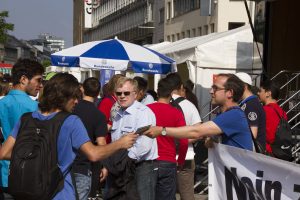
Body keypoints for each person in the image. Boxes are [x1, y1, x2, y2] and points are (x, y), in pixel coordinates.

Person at [0, 73, 137, 200]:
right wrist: (120, 143)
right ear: (63, 96)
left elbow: (4, 152)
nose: (77, 101)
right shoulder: (71, 121)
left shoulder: (26, 118)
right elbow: (94, 154)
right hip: (60, 192)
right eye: (74, 97)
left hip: (29, 191)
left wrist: (36, 158)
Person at [145, 73, 253, 151]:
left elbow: (196, 131)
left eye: (215, 88)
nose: (211, 91)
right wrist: (212, 140)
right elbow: (209, 141)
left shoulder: (233, 115)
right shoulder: (225, 114)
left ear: (229, 93)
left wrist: (162, 130)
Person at [0, 58, 44, 199]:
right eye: (38, 80)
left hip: (4, 172)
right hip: (27, 173)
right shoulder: (35, 108)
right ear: (24, 79)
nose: (40, 85)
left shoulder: (2, 103)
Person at [107, 77, 157, 200]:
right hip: (121, 167)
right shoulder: (117, 113)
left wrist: (126, 160)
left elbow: (144, 145)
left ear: (135, 94)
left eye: (126, 93)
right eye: (119, 93)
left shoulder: (143, 112)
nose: (122, 96)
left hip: (140, 167)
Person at [147, 77, 188, 200]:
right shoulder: (176, 113)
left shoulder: (146, 109)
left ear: (157, 91)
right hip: (168, 161)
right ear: (171, 94)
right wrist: (180, 161)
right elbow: (184, 140)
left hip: (148, 160)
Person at [165, 73, 202, 200]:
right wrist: (182, 140)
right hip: (186, 155)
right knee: (186, 195)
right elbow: (199, 132)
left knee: (164, 194)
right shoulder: (189, 105)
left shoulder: (158, 104)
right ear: (181, 87)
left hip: (163, 156)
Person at [72, 77, 108, 200]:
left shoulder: (72, 109)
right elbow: (101, 142)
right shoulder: (99, 115)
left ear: (82, 90)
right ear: (98, 93)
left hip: (66, 164)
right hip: (85, 166)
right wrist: (104, 166)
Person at [235, 72, 266, 151]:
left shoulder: (251, 104)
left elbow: (253, 134)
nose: (232, 89)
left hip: (252, 152)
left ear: (244, 86)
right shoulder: (247, 103)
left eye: (235, 85)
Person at [258, 80, 287, 155]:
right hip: (279, 152)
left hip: (266, 151)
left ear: (268, 93)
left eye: (260, 91)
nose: (258, 93)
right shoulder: (283, 113)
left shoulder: (264, 110)